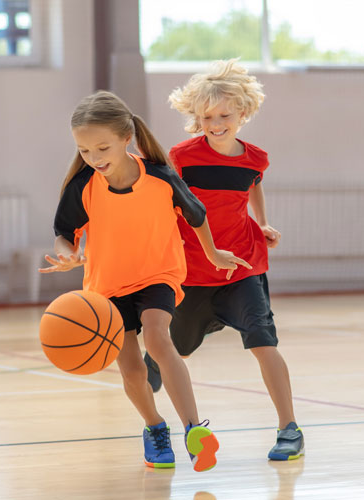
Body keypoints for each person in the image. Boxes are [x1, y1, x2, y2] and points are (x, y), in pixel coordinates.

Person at [41, 90, 250, 472]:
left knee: (157, 337)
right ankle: (154, 427)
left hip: (158, 274)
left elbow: (196, 215)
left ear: (126, 138)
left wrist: (213, 253)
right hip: (107, 288)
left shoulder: (159, 177)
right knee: (133, 370)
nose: (94, 158)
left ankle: (193, 429)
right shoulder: (83, 186)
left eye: (102, 147)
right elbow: (63, 231)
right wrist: (68, 253)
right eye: (85, 151)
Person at [144, 59, 304, 460]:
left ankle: (290, 429)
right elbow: (164, 204)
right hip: (192, 273)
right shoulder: (181, 157)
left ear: (243, 113)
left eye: (224, 115)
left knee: (264, 343)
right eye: (207, 117)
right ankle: (154, 423)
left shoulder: (256, 158)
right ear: (197, 119)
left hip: (242, 267)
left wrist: (263, 223)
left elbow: (254, 187)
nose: (216, 123)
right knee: (168, 357)